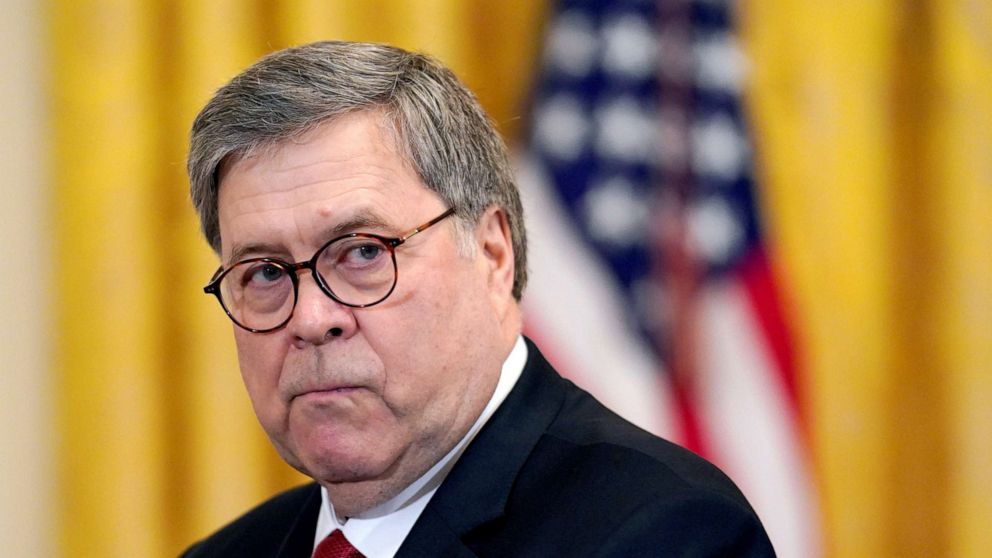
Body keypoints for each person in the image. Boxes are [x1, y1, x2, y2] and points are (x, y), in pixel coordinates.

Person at [181, 40, 774, 558]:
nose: (311, 318)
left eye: (362, 253)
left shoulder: (665, 534)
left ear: (493, 254)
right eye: (264, 273)